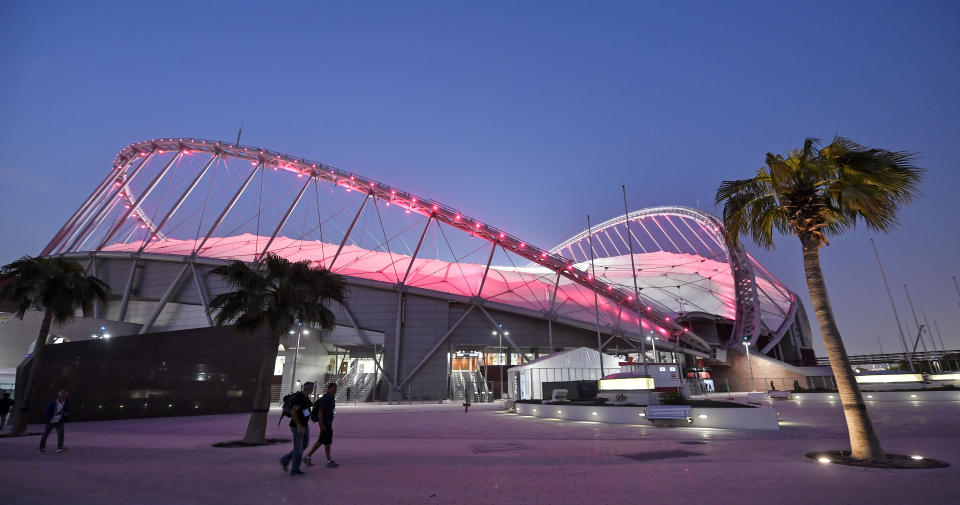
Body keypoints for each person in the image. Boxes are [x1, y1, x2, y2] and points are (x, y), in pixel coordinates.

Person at [279, 382, 314, 476]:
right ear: (309, 389)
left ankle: (285, 460)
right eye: (312, 388)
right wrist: (299, 425)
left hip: (304, 425)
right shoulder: (300, 398)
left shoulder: (305, 398)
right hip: (298, 426)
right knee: (298, 449)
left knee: (304, 444)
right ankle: (295, 470)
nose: (313, 390)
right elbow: (293, 412)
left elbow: (305, 409)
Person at [304, 382, 338, 468]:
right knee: (327, 442)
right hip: (325, 423)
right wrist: (322, 424)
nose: (335, 390)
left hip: (327, 423)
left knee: (322, 441)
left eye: (336, 388)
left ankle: (308, 457)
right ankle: (329, 460)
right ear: (329, 389)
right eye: (334, 388)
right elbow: (320, 411)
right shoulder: (326, 398)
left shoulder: (331, 398)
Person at [38, 390, 69, 454]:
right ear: (59, 396)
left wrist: (65, 414)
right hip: (51, 421)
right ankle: (41, 448)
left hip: (59, 421)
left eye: (65, 397)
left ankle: (60, 446)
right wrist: (53, 414)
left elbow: (66, 409)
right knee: (46, 434)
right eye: (62, 397)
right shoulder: (53, 403)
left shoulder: (66, 402)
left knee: (61, 433)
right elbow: (46, 411)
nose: (63, 398)